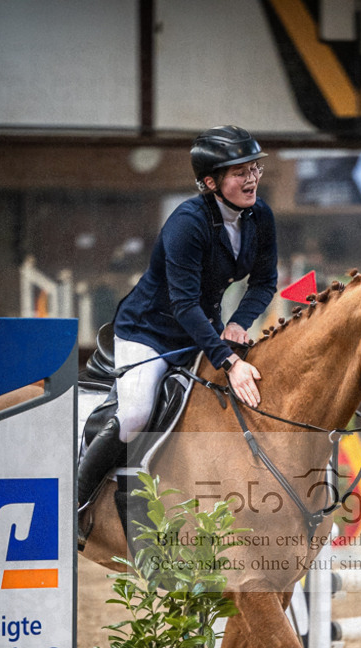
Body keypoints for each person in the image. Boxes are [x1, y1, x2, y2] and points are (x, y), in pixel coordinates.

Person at [78, 125, 278, 509]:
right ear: (210, 182)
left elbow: (265, 281)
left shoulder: (260, 217)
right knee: (136, 415)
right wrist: (229, 360)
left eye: (255, 169)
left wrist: (239, 323)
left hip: (204, 328)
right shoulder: (187, 223)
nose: (252, 179)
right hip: (148, 332)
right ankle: (75, 505)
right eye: (241, 172)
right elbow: (183, 305)